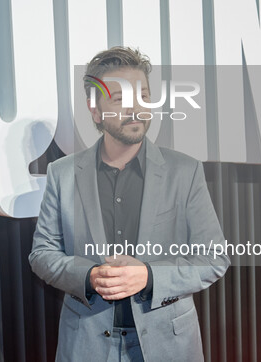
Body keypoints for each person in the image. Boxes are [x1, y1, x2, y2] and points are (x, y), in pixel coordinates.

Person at [29, 46, 229, 361]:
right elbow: (42, 254)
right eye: (121, 100)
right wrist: (89, 275)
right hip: (86, 344)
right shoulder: (63, 174)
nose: (136, 109)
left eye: (144, 96)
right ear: (95, 110)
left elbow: (214, 259)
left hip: (168, 344)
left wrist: (149, 276)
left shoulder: (185, 171)